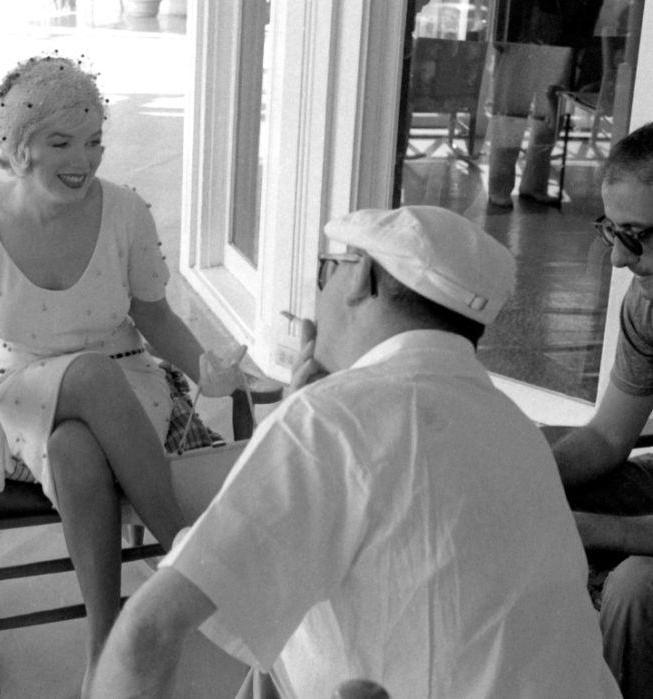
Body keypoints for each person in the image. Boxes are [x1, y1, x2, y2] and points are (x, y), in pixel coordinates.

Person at [90, 206, 621, 699]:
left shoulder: (333, 419)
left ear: (362, 275)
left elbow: (147, 634)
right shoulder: (514, 427)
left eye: (326, 270)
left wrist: (305, 415)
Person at [0, 54, 243, 697]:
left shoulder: (126, 211)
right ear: (16, 149)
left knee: (77, 440)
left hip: (130, 386)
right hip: (14, 388)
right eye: (61, 142)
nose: (85, 158)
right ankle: (194, 559)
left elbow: (153, 316)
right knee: (90, 379)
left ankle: (107, 643)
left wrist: (202, 366)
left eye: (95, 140)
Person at [550, 120, 653, 699]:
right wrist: (530, 483)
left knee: (637, 588)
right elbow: (610, 435)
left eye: (636, 235)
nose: (616, 259)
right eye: (611, 231)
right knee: (539, 467)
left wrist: (592, 529)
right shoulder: (648, 302)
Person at [486, 0, 603, 210]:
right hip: (522, 39)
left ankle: (527, 185)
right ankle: (506, 187)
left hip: (555, 40)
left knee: (544, 115)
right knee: (511, 114)